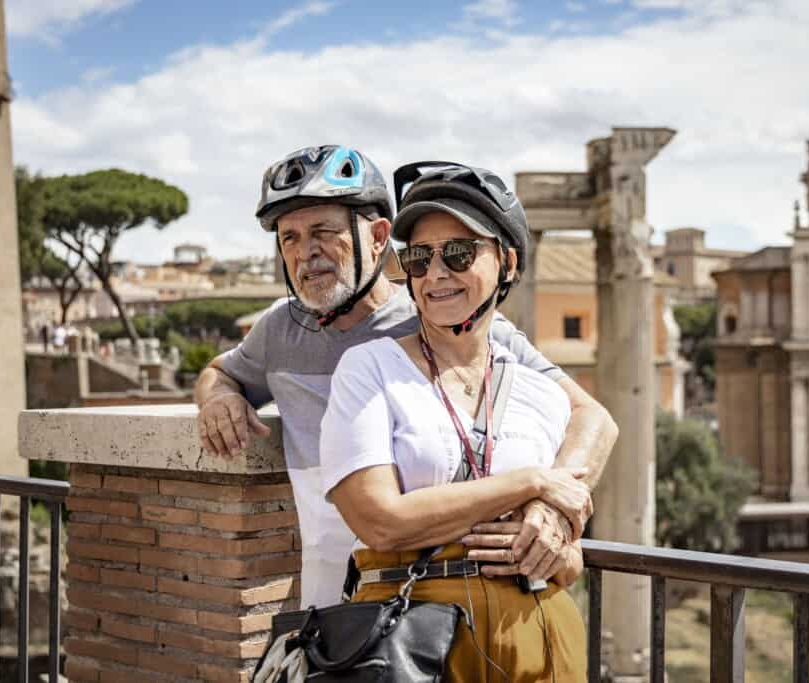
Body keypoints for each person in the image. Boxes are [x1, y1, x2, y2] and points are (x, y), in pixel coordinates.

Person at [194, 146, 617, 609]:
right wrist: (219, 399)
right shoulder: (280, 329)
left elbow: (589, 415)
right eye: (289, 237)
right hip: (336, 600)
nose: (306, 253)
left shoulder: (446, 314)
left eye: (323, 232)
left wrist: (553, 501)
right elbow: (221, 371)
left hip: (445, 595)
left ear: (377, 237)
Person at [321, 161, 595, 680]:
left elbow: (572, 558)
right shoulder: (370, 367)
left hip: (540, 633)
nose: (435, 274)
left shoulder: (542, 393)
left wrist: (551, 536)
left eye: (459, 253)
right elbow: (378, 519)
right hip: (416, 640)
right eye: (419, 259)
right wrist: (531, 483)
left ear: (507, 263)